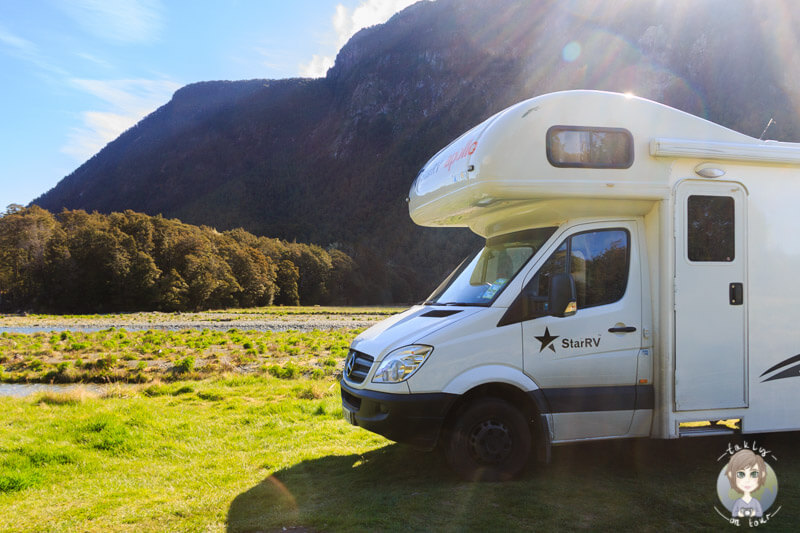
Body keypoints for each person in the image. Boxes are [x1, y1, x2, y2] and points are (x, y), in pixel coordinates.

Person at [725, 449, 767, 518]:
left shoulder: (755, 502)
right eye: (741, 474)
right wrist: (739, 513)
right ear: (731, 475)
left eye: (754, 474)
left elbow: (760, 513)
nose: (747, 480)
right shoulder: (738, 502)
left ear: (762, 475)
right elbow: (734, 513)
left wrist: (754, 513)